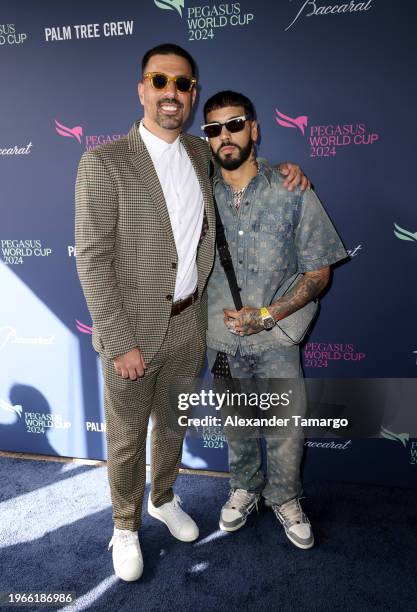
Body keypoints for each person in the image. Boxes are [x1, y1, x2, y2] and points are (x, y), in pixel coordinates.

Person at [75, 44, 308, 582]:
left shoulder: (202, 153)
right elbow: (92, 258)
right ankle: (125, 525)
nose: (170, 94)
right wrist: (117, 340)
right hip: (130, 330)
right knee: (128, 433)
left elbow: (243, 165)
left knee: (174, 425)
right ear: (142, 89)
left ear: (193, 92)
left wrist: (288, 172)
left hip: (190, 323)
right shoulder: (103, 161)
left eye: (181, 84)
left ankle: (163, 498)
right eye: (159, 82)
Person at [203, 90, 348, 549]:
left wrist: (265, 316)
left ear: (254, 129)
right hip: (222, 341)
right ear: (207, 139)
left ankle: (285, 498)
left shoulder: (291, 188)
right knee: (236, 422)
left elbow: (319, 273)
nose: (225, 136)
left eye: (235, 124)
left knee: (287, 426)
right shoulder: (197, 195)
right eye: (214, 129)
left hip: (278, 338)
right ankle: (245, 487)